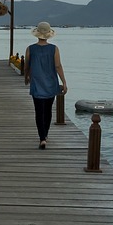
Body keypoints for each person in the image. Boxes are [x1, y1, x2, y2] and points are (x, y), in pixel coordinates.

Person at [24, 21, 67, 149]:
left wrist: (26, 77)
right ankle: (46, 135)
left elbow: (27, 65)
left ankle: (42, 138)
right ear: (48, 34)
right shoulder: (54, 49)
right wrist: (64, 82)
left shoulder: (30, 49)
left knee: (39, 111)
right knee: (48, 111)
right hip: (50, 84)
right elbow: (58, 66)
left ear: (37, 34)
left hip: (37, 83)